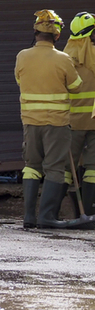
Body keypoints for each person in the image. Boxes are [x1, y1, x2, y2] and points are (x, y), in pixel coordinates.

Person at [15, 10, 83, 229]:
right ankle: (47, 217)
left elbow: (19, 80)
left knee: (32, 166)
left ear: (35, 32)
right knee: (54, 167)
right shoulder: (63, 59)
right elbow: (75, 86)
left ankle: (28, 217)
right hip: (57, 123)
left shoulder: (22, 56)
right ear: (57, 35)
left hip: (30, 122)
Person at [66, 13, 95, 216]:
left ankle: (74, 213)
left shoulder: (64, 57)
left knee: (68, 169)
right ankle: (90, 211)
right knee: (93, 167)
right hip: (93, 123)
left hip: (71, 124)